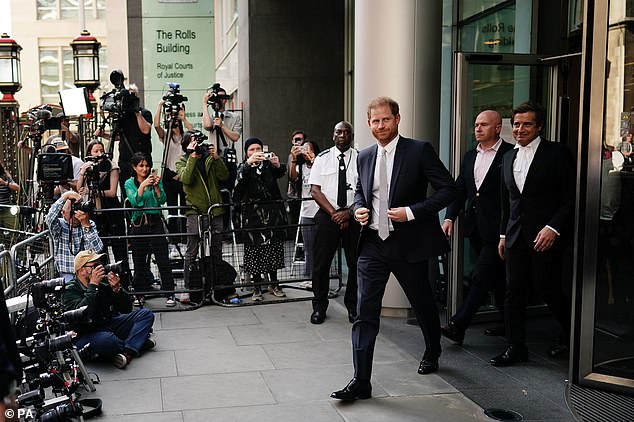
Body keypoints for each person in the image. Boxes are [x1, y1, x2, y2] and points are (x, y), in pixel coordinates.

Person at [331, 96, 457, 401]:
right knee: (365, 312)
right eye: (374, 121)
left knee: (422, 301)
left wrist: (411, 212)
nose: (380, 126)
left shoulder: (419, 150)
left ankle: (432, 348)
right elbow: (362, 192)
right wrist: (359, 209)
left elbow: (449, 189)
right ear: (369, 123)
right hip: (373, 243)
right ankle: (361, 380)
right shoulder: (364, 157)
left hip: (408, 243)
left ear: (397, 119)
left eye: (386, 119)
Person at [491, 101, 575, 366]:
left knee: (547, 288)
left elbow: (570, 198)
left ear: (539, 126)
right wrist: (503, 235)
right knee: (512, 292)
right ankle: (516, 347)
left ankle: (572, 333)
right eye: (516, 124)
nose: (520, 129)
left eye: (527, 124)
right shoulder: (508, 156)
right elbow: (508, 202)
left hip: (546, 236)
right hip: (515, 236)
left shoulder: (557, 153)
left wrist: (553, 228)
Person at [441, 110, 513, 345]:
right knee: (498, 279)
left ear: (498, 128)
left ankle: (458, 325)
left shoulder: (510, 154)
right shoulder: (470, 155)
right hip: (476, 228)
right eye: (476, 124)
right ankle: (508, 324)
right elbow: (461, 188)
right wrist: (450, 217)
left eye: (483, 125)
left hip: (500, 231)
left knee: (479, 276)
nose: (478, 129)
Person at [62, 250, 155, 369]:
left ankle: (127, 352)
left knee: (146, 314)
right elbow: (83, 315)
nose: (100, 268)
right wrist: (93, 286)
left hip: (107, 325)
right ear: (82, 271)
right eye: (95, 266)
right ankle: (138, 343)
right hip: (84, 334)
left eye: (100, 264)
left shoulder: (103, 282)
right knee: (107, 341)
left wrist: (117, 290)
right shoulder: (70, 290)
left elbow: (126, 309)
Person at [308, 122, 360, 324]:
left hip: (354, 216)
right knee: (321, 264)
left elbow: (365, 189)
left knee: (355, 263)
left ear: (351, 136)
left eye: (347, 133)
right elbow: (315, 190)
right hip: (327, 216)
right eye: (339, 132)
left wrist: (348, 213)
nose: (343, 135)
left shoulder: (361, 158)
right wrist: (335, 214)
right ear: (333, 135)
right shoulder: (322, 159)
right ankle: (319, 306)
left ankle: (353, 307)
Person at [175, 130, 229, 304]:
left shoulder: (208, 157)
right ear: (185, 145)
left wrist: (216, 158)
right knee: (191, 250)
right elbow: (186, 179)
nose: (197, 144)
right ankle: (188, 287)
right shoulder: (182, 160)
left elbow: (224, 176)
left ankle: (217, 286)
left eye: (198, 141)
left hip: (215, 210)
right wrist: (192, 156)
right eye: (192, 141)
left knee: (216, 250)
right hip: (195, 211)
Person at [233, 138, 287, 301]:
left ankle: (274, 284)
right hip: (252, 216)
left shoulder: (268, 164)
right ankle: (256, 287)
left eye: (258, 148)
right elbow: (238, 182)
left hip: (272, 215)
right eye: (251, 149)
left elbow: (281, 172)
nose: (256, 151)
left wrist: (277, 164)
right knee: (254, 251)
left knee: (274, 249)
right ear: (246, 152)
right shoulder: (244, 167)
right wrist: (249, 163)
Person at [77, 140, 131, 288]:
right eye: (95, 151)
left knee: (119, 250)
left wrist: (91, 192)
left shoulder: (111, 166)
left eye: (101, 150)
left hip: (111, 211)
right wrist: (83, 172)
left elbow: (113, 192)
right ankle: (104, 286)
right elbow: (78, 188)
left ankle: (126, 285)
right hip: (95, 212)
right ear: (89, 153)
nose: (99, 154)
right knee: (99, 252)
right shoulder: (87, 168)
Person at [124, 152, 176, 307]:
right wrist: (142, 185)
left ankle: (169, 293)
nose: (145, 169)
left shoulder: (155, 180)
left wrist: (156, 187)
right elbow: (135, 202)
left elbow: (162, 200)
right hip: (139, 222)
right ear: (134, 167)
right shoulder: (129, 183)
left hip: (155, 221)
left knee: (162, 259)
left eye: (147, 165)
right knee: (139, 261)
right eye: (141, 166)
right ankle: (139, 293)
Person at [95, 82, 153, 199]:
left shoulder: (144, 113)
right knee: (127, 193)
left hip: (142, 163)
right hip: (125, 162)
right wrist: (103, 134)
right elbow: (118, 137)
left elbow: (146, 130)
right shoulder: (122, 116)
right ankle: (127, 215)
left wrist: (137, 112)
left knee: (145, 193)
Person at [154, 98, 193, 256]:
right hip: (169, 176)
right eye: (171, 115)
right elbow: (156, 126)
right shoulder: (167, 135)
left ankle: (184, 241)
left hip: (184, 175)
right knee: (171, 210)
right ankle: (173, 243)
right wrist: (160, 105)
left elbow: (194, 135)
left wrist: (184, 118)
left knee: (184, 210)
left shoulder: (186, 136)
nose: (174, 117)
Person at [45, 190, 103, 281]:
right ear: (63, 213)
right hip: (67, 273)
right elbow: (50, 218)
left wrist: (86, 226)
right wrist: (66, 196)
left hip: (87, 272)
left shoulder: (88, 223)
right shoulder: (60, 225)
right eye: (72, 210)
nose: (75, 213)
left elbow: (97, 249)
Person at [288, 138, 320, 279]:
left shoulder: (321, 165)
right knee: (308, 247)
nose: (306, 152)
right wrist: (294, 158)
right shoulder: (301, 168)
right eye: (304, 149)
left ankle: (319, 275)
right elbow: (292, 177)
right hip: (306, 212)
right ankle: (309, 276)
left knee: (321, 247)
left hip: (321, 211)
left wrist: (314, 161)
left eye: (309, 149)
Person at [202, 84, 242, 190]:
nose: (217, 100)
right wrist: (204, 104)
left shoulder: (235, 117)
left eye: (220, 98)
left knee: (227, 191)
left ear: (224, 100)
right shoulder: (210, 117)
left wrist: (222, 126)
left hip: (228, 159)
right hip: (213, 158)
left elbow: (236, 137)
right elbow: (207, 126)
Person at [286, 130, 307, 242]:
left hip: (306, 195)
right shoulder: (291, 156)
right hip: (293, 195)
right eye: (296, 140)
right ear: (292, 141)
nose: (298, 142)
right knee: (295, 224)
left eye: (300, 139)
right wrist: (294, 158)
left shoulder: (308, 153)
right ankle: (297, 248)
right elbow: (292, 176)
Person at [0, 161, 20, 230]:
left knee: (15, 229)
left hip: (6, 209)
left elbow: (18, 188)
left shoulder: (5, 178)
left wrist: (5, 183)